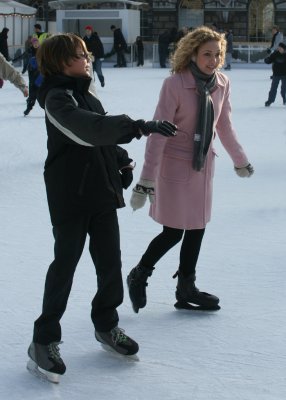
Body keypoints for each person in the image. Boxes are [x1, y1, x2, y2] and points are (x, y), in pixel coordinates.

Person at [26, 33, 177, 383]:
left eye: (86, 53)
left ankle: (107, 325)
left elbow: (101, 136)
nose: (87, 58)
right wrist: (139, 127)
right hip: (70, 197)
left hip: (99, 192)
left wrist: (121, 161)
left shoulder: (84, 93)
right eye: (79, 55)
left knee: (110, 262)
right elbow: (88, 131)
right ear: (59, 61)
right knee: (65, 264)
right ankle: (43, 340)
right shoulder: (56, 98)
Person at [127, 26, 254, 314]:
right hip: (174, 166)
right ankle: (139, 274)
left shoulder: (222, 83)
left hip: (202, 166)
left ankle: (186, 288)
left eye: (217, 54)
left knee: (197, 228)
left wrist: (240, 159)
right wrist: (146, 180)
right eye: (207, 54)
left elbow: (224, 126)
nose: (213, 60)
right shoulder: (174, 84)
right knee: (173, 231)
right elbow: (158, 133)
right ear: (192, 54)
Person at [23, 37, 43, 116]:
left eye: (37, 43)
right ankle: (29, 107)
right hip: (32, 73)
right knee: (32, 93)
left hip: (40, 74)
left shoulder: (42, 51)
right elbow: (24, 59)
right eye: (34, 43)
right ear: (32, 44)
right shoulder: (29, 51)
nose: (36, 44)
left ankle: (46, 109)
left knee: (41, 94)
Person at [264, 42, 286, 106]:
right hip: (276, 74)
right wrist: (266, 59)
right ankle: (270, 100)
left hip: (285, 74)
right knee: (273, 88)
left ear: (284, 49)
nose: (279, 48)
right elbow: (269, 60)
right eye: (279, 47)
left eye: (280, 47)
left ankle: (285, 99)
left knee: (284, 89)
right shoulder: (275, 54)